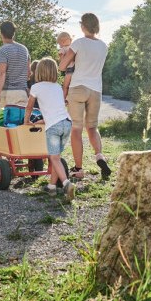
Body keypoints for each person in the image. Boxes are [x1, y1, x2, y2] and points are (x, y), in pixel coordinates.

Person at [59, 13, 110, 180]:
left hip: (78, 87)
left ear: (83, 26)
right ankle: (100, 156)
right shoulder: (104, 46)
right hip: (96, 90)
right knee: (92, 128)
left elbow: (62, 66)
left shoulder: (78, 43)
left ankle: (79, 169)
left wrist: (63, 57)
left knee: (76, 129)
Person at [25, 57, 75, 201]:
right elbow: (55, 109)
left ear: (38, 72)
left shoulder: (36, 87)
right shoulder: (58, 87)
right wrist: (44, 120)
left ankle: (66, 184)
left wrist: (27, 121)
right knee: (56, 157)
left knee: (53, 157)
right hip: (66, 123)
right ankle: (52, 187)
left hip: (53, 127)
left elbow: (29, 107)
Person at [0, 20, 30, 109]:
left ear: (1, 33)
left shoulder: (1, 51)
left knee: (1, 122)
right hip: (22, 93)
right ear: (14, 33)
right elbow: (28, 72)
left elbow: (2, 73)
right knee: (21, 122)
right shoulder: (24, 49)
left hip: (6, 93)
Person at [56, 31, 75, 96]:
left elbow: (62, 62)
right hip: (76, 69)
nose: (59, 45)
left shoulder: (63, 49)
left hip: (69, 69)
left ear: (62, 42)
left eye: (59, 43)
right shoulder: (73, 47)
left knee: (65, 86)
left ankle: (63, 98)